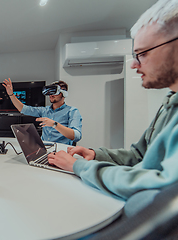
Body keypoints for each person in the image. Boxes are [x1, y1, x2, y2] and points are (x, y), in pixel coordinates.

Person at [47, 0, 178, 217]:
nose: (134, 64)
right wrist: (96, 154)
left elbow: (161, 188)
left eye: (142, 53)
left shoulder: (72, 112)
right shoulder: (168, 105)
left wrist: (78, 167)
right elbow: (139, 154)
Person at [2, 78, 82, 145]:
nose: (51, 95)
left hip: (61, 151)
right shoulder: (45, 110)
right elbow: (23, 109)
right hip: (43, 148)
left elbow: (76, 136)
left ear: (64, 94)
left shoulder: (72, 111)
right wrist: (11, 94)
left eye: (54, 91)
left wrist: (55, 124)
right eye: (49, 91)